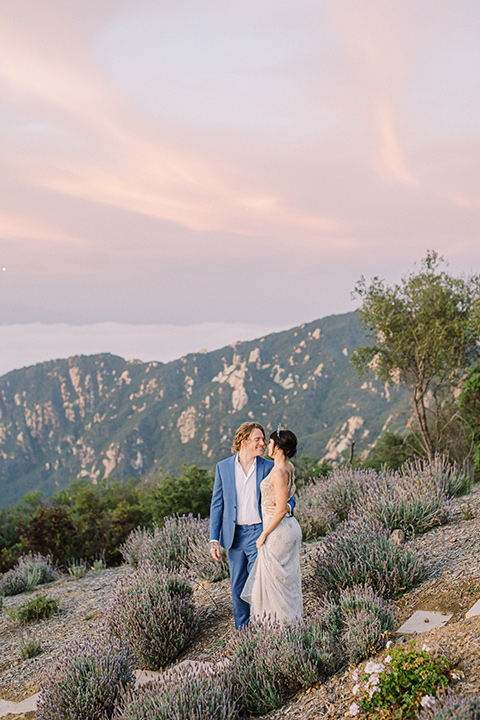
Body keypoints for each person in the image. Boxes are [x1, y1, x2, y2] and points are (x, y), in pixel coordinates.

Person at [209, 422, 296, 629]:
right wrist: (214, 538)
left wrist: (287, 508)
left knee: (260, 583)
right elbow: (217, 503)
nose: (263, 443)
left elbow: (289, 494)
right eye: (257, 439)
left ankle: (263, 626)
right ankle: (243, 630)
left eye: (264, 439)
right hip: (234, 535)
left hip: (261, 532)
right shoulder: (223, 467)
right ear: (244, 441)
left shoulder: (269, 466)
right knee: (237, 586)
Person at [240, 428, 303, 623]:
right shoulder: (289, 467)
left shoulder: (279, 472)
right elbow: (287, 498)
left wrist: (263, 534)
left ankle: (277, 627)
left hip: (277, 531)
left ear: (277, 447)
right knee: (286, 580)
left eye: (270, 443)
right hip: (289, 528)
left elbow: (282, 509)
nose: (267, 445)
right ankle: (289, 623)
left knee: (273, 583)